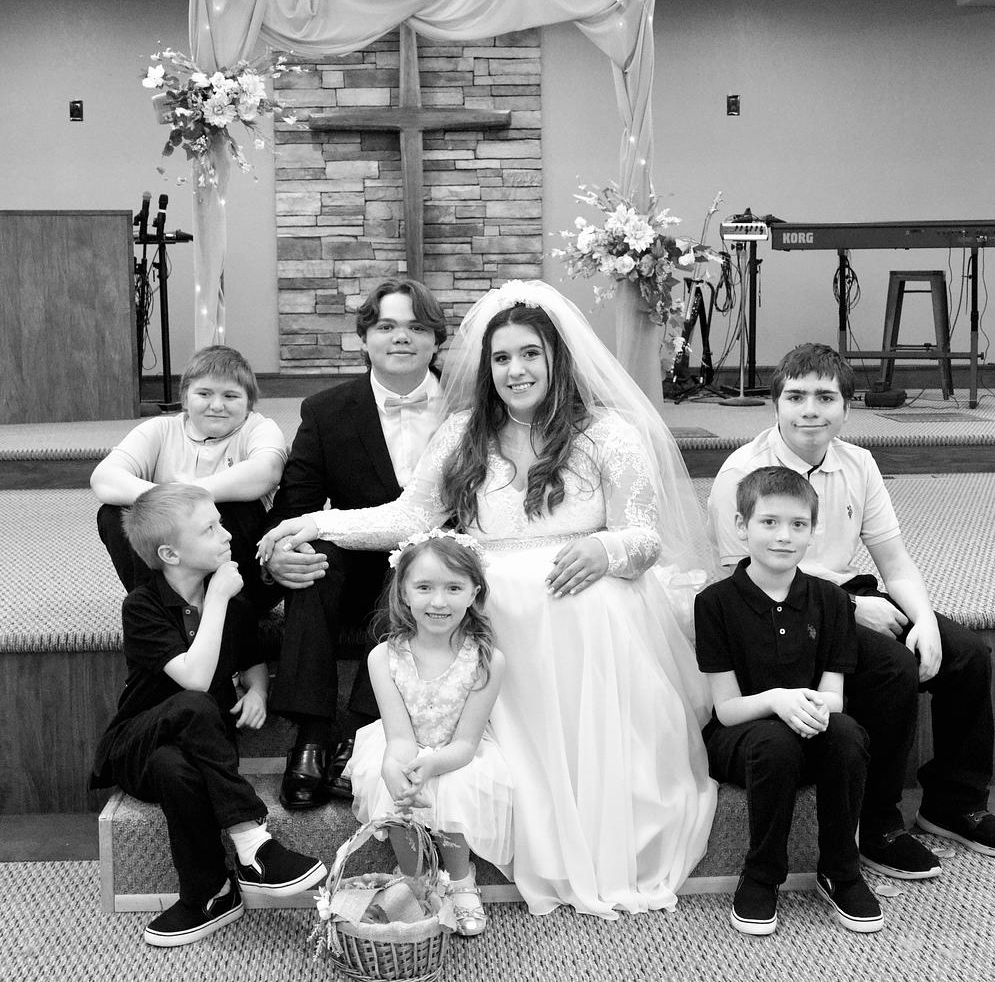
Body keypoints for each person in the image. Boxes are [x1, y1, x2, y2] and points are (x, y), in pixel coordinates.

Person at [259, 279, 718, 918]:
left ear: (558, 359)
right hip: (492, 602)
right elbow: (407, 518)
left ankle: (588, 803)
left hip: (580, 598)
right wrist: (316, 522)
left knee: (591, 602)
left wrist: (605, 549)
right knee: (467, 606)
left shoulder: (607, 432)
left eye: (530, 354)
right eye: (501, 358)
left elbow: (644, 536)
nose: (515, 370)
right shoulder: (463, 432)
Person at [707, 343, 995, 879]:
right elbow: (743, 572)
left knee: (965, 654)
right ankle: (877, 822)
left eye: (825, 397)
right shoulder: (741, 471)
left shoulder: (858, 462)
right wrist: (848, 607)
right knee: (891, 666)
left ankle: (953, 804)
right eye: (796, 397)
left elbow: (895, 562)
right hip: (778, 607)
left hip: (848, 591)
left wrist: (925, 620)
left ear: (846, 407)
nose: (810, 410)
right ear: (776, 403)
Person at [89, 484, 326, 948]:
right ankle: (252, 841)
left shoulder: (233, 606)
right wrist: (216, 598)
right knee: (194, 706)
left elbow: (251, 655)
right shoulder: (143, 606)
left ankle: (212, 893)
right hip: (138, 743)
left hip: (198, 754)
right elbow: (194, 680)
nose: (226, 534)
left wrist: (258, 690)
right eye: (210, 529)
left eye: (221, 523)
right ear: (170, 554)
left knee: (174, 767)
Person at [263, 278, 448, 810]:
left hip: (438, 568)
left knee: (417, 565)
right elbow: (296, 506)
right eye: (386, 326)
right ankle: (311, 735)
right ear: (364, 337)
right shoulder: (327, 410)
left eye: (416, 327)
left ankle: (358, 730)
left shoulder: (469, 404)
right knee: (313, 558)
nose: (401, 337)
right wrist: (280, 555)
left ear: (436, 340)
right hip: (352, 567)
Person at [696, 466, 882, 936]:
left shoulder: (832, 600)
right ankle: (761, 875)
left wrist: (809, 709)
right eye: (769, 522)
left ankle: (840, 871)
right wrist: (778, 700)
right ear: (741, 526)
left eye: (798, 524)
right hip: (742, 739)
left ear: (812, 531)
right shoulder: (714, 603)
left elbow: (834, 698)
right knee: (775, 744)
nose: (784, 536)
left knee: (848, 734)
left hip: (811, 729)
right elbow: (726, 710)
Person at [346, 529, 512, 937]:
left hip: (459, 753)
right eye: (424, 587)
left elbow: (466, 743)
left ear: (474, 592)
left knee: (454, 787)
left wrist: (432, 764)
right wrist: (395, 767)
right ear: (403, 592)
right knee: (394, 788)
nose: (439, 601)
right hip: (403, 744)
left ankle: (460, 878)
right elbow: (400, 737)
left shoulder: (487, 660)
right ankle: (416, 879)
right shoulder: (383, 657)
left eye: (454, 588)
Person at [91, 344, 285, 611]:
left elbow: (267, 470)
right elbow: (104, 478)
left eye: (230, 396)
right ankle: (160, 608)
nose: (216, 405)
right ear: (184, 398)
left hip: (244, 575)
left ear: (249, 403)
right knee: (114, 513)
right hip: (172, 562)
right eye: (204, 393)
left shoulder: (259, 428)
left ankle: (230, 610)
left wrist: (187, 496)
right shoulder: (160, 430)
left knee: (236, 506)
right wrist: (170, 501)